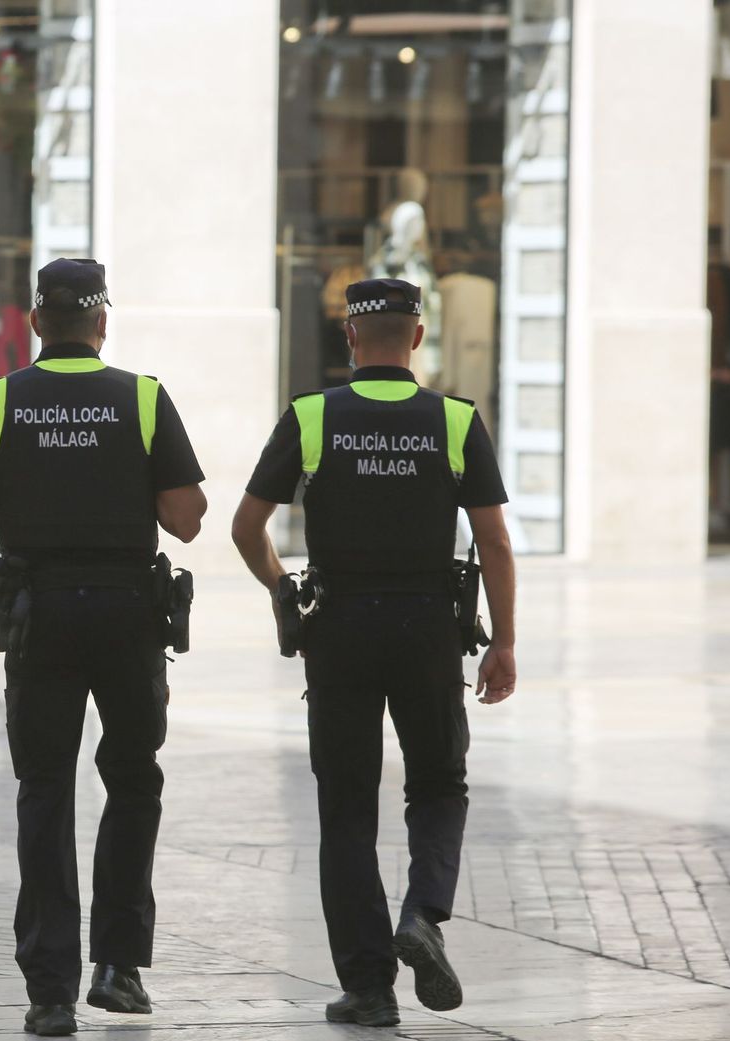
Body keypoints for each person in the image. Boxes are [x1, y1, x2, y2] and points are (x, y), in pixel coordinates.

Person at [230, 278, 517, 1028]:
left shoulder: (312, 416)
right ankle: (423, 912)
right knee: (438, 783)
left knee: (347, 809)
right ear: (417, 338)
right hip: (428, 628)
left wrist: (280, 585)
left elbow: (245, 524)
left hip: (341, 629)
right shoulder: (455, 420)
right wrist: (506, 641)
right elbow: (492, 540)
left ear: (350, 338)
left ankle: (367, 987)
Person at [0, 258, 208, 1037]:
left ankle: (50, 990)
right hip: (128, 615)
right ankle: (119, 967)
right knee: (132, 780)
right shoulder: (143, 398)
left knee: (44, 790)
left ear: (32, 323)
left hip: (41, 616)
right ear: (101, 323)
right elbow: (186, 518)